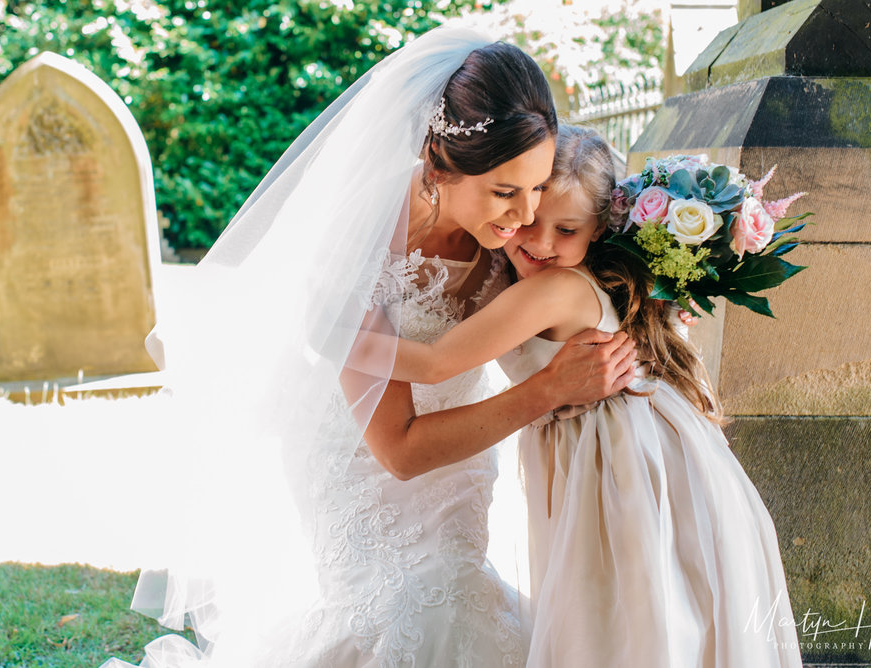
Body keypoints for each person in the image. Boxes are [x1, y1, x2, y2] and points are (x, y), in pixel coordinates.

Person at [102, 29, 636, 668]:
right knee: (412, 610)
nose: (526, 216)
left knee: (456, 602)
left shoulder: (530, 228)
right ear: (439, 164)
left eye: (537, 185)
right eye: (504, 192)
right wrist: (547, 391)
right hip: (361, 456)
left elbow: (593, 291)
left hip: (463, 457)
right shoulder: (358, 239)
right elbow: (400, 451)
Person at [382, 125, 804, 667]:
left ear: (600, 226)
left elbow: (437, 362)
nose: (541, 244)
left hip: (617, 463)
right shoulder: (581, 274)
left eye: (567, 229)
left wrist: (335, 337)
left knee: (623, 616)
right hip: (628, 448)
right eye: (530, 223)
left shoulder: (553, 288)